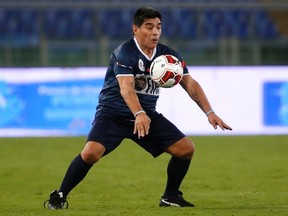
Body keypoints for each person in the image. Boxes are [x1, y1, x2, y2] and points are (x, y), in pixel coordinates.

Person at [44, 6, 232, 209]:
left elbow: (190, 84)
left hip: (147, 116)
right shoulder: (124, 53)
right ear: (136, 29)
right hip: (113, 115)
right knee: (91, 153)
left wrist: (210, 112)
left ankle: (170, 197)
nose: (155, 32)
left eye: (158, 27)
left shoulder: (169, 56)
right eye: (149, 27)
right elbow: (126, 88)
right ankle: (60, 195)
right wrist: (139, 113)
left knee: (185, 150)